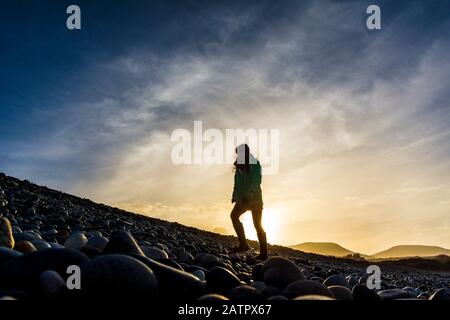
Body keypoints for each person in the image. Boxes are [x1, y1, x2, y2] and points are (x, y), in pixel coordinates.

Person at [230, 144, 268, 260]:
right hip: (242, 200)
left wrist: (248, 196)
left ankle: (263, 254)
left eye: (240, 153)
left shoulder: (255, 164)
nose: (238, 156)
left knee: (257, 225)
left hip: (254, 200)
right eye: (237, 154)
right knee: (234, 216)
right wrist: (235, 196)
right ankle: (244, 244)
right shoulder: (239, 166)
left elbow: (256, 182)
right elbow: (236, 183)